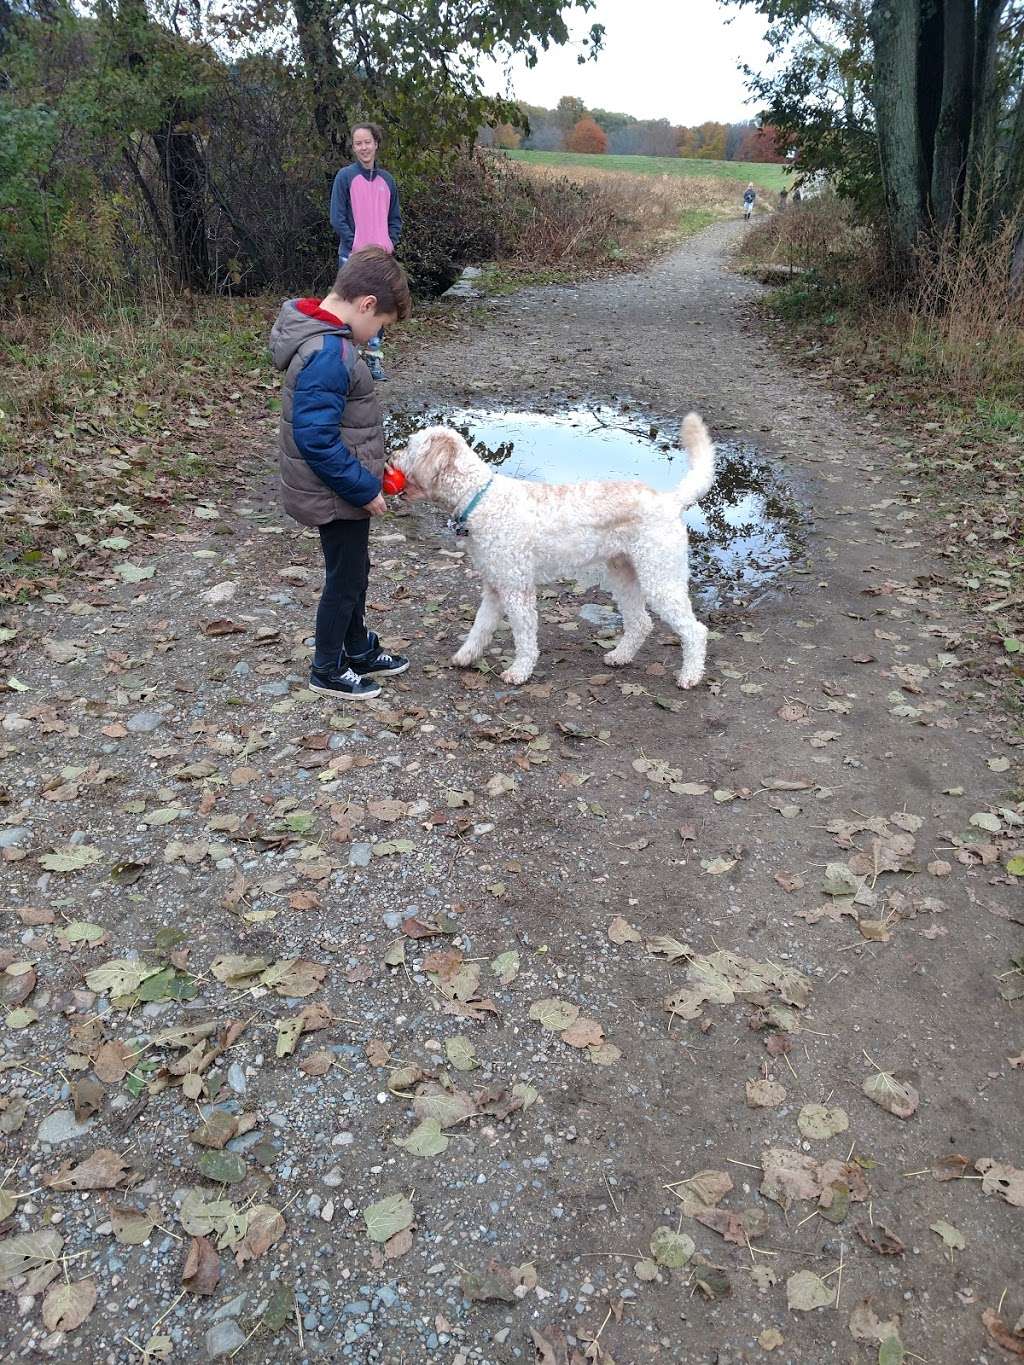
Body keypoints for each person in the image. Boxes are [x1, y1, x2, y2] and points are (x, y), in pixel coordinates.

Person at [269, 247, 413, 701]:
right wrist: (364, 486)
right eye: (381, 327)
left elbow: (342, 428)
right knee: (345, 578)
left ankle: (356, 647)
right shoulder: (329, 352)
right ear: (366, 304)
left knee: (354, 571)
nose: (376, 336)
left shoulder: (328, 341)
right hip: (336, 492)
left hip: (340, 486)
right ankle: (327, 667)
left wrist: (374, 465)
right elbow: (317, 440)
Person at [330, 123, 402, 382]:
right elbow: (337, 219)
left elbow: (395, 219)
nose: (363, 147)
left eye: (367, 142)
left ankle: (373, 361)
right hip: (352, 257)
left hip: (381, 260)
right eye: (358, 143)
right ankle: (347, 364)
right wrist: (356, 244)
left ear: (376, 144)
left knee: (378, 310)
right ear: (353, 147)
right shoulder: (345, 177)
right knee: (350, 309)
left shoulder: (388, 180)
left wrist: (388, 243)